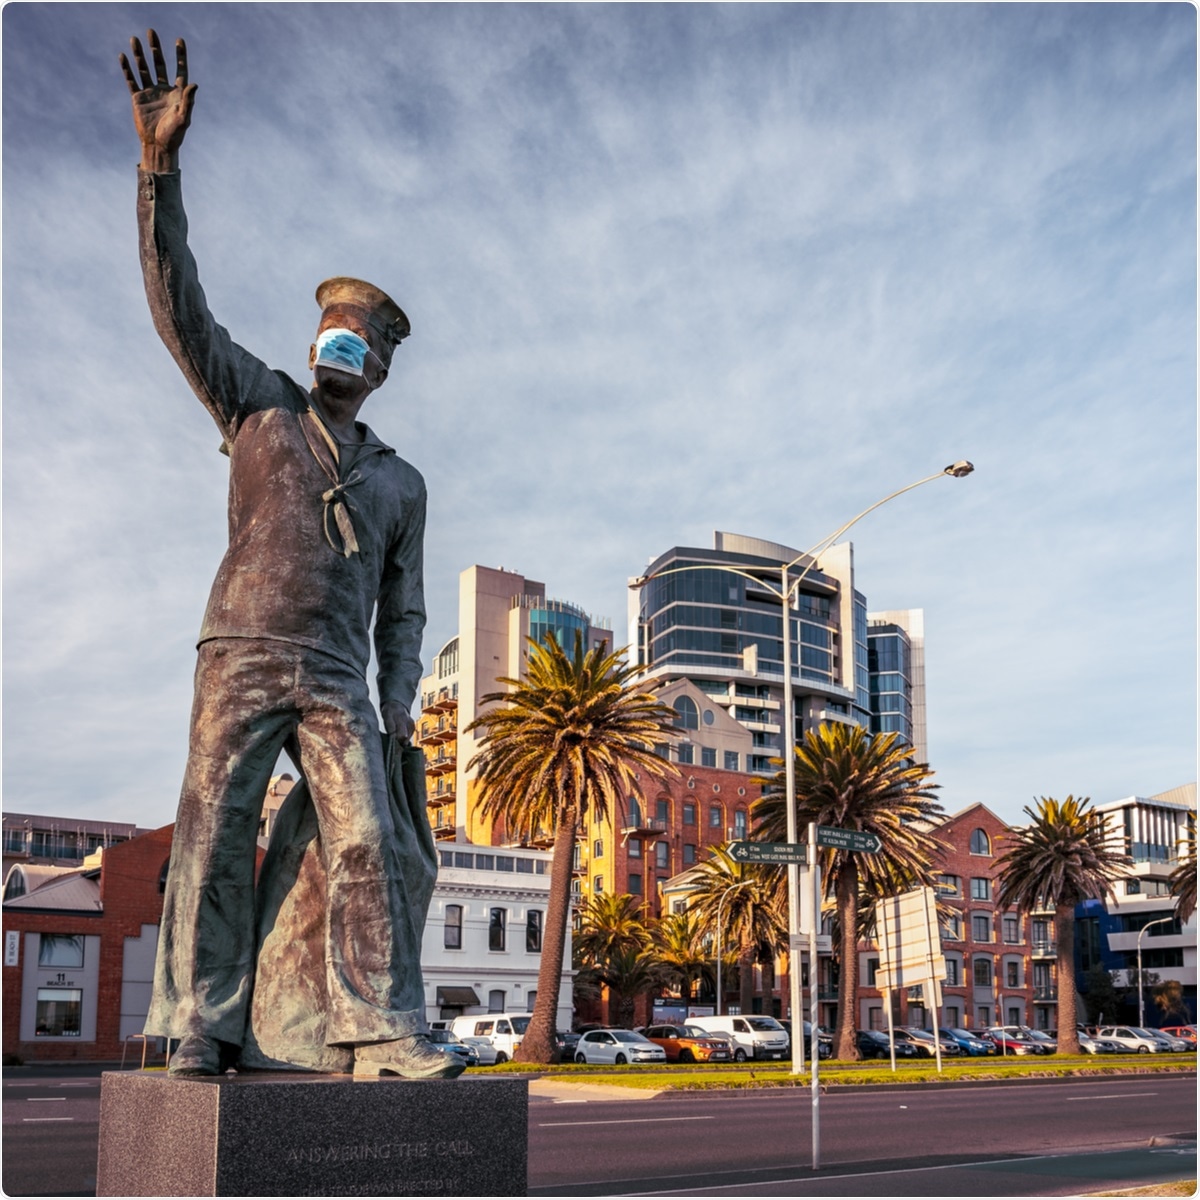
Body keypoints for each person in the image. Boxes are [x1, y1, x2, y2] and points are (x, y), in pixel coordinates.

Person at [121, 29, 460, 1080]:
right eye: (335, 334)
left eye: (364, 344)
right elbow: (181, 310)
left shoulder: (402, 482)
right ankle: (203, 1024)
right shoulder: (258, 408)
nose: (344, 353)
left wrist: (398, 694)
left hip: (337, 678)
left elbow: (401, 611)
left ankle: (381, 1027)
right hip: (240, 650)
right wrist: (158, 171)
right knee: (217, 828)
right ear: (316, 342)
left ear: (383, 368)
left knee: (371, 841)